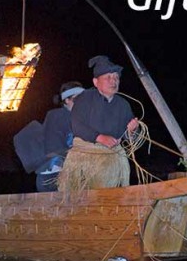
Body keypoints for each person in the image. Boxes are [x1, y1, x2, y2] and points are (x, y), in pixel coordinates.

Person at [57, 55, 139, 191]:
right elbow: (77, 125)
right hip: (84, 159)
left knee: (109, 198)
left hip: (111, 161)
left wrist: (132, 130)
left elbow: (129, 138)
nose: (113, 81)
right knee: (77, 199)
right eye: (108, 77)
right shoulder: (84, 99)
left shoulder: (123, 105)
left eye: (116, 78)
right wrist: (99, 138)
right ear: (95, 82)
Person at [13, 81, 84, 192]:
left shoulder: (76, 118)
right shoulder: (57, 115)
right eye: (78, 99)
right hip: (52, 177)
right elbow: (54, 147)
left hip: (66, 174)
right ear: (67, 100)